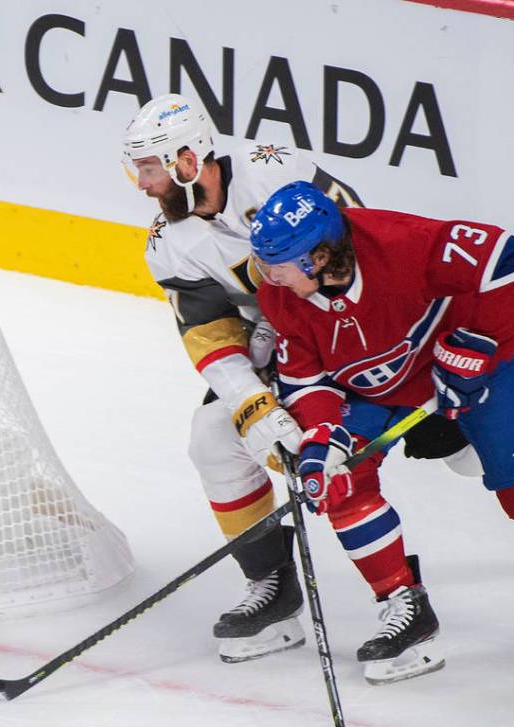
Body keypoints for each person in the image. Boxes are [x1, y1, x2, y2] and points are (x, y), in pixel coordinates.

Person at [250, 180, 514, 683]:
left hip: (463, 375)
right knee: (341, 482)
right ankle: (404, 605)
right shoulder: (282, 298)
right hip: (368, 395)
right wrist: (322, 436)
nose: (270, 279)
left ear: (319, 257)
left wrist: (484, 347)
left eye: (279, 265)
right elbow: (304, 378)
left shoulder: (401, 244)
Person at [121, 93, 368, 663]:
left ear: (188, 160)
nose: (142, 185)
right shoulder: (170, 244)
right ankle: (274, 589)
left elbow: (361, 242)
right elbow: (209, 335)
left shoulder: (273, 170)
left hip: (368, 329)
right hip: (286, 351)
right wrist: (253, 403)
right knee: (212, 437)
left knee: (463, 443)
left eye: (151, 169)